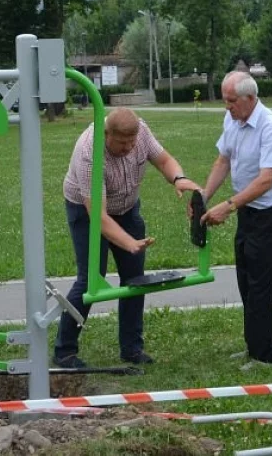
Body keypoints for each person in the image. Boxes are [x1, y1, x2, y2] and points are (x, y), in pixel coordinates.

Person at [54, 107, 201, 368]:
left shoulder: (140, 131)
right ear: (107, 134)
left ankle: (132, 349)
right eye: (122, 143)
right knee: (91, 280)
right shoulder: (90, 151)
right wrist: (129, 243)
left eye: (132, 142)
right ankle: (64, 352)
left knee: (135, 279)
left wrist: (178, 178)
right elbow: (98, 217)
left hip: (126, 207)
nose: (129, 147)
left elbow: (165, 160)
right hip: (87, 212)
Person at [200, 71, 272, 369]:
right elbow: (223, 160)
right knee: (245, 275)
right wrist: (203, 197)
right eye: (225, 101)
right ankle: (253, 344)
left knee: (261, 282)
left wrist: (227, 206)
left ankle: (265, 355)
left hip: (271, 209)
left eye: (231, 101)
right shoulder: (233, 119)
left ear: (250, 98)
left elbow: (266, 180)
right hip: (247, 207)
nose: (226, 107)